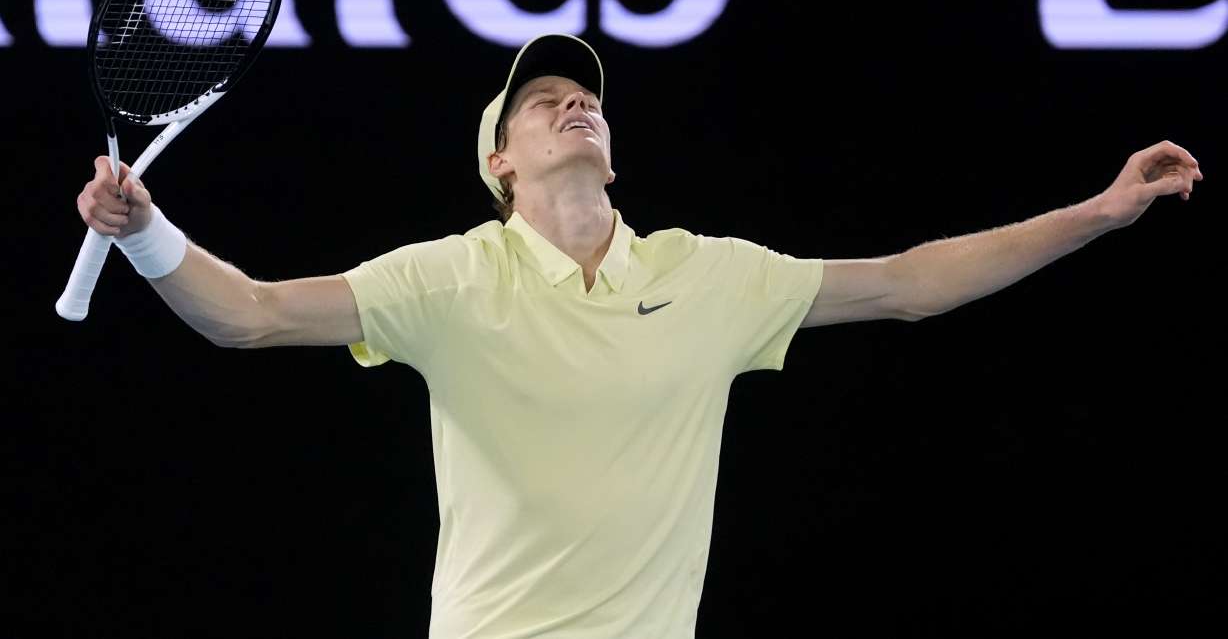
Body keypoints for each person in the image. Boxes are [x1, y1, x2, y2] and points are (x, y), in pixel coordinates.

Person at [74, 33, 1203, 638]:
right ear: (499, 165)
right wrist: (146, 234)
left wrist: (1098, 213)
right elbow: (252, 315)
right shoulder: (449, 278)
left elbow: (909, 284)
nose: (573, 104)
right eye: (540, 102)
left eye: (585, 97)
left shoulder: (706, 275)